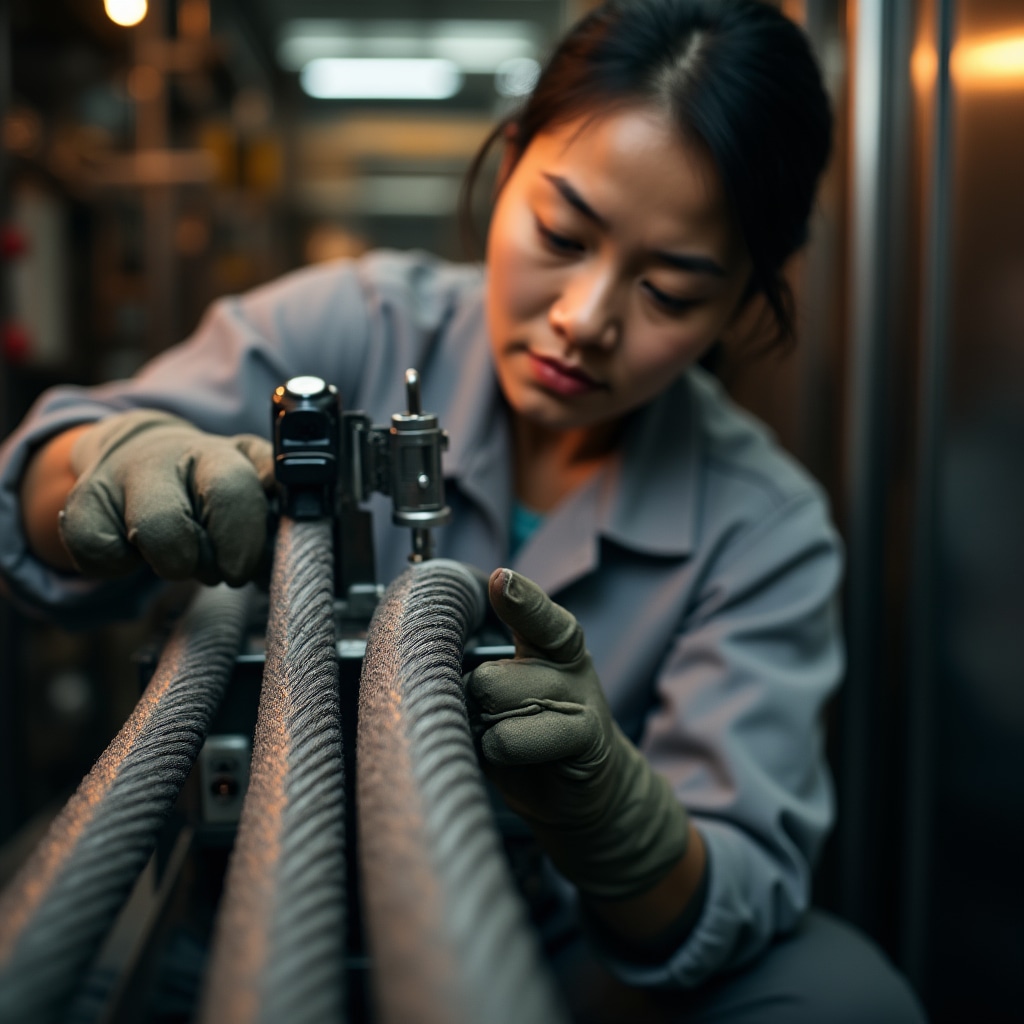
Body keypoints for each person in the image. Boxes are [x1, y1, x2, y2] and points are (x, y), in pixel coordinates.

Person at [0, 1, 927, 1020]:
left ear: (747, 298)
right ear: (509, 159)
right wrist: (121, 460)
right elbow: (43, 476)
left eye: (667, 292)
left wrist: (621, 820)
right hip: (235, 910)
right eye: (561, 233)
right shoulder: (357, 319)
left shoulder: (764, 527)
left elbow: (727, 888)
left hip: (556, 956)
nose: (584, 321)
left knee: (843, 993)